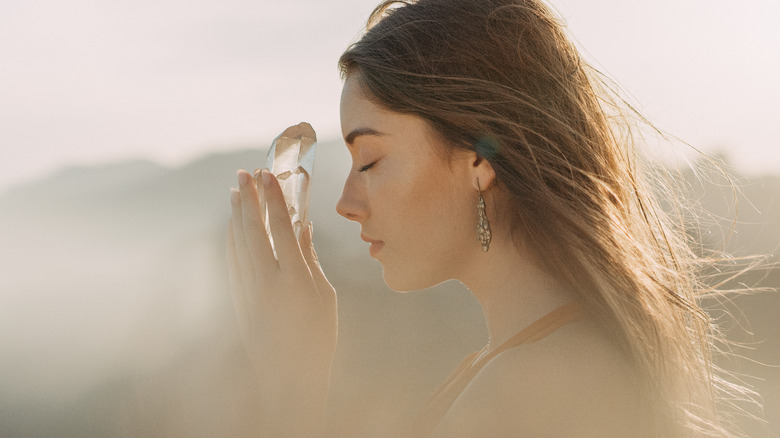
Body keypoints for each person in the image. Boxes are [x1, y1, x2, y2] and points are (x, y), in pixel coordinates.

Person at [227, 0, 754, 436]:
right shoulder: (523, 360)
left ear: (479, 158)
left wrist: (291, 389)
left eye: (369, 161)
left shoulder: (534, 387)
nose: (345, 202)